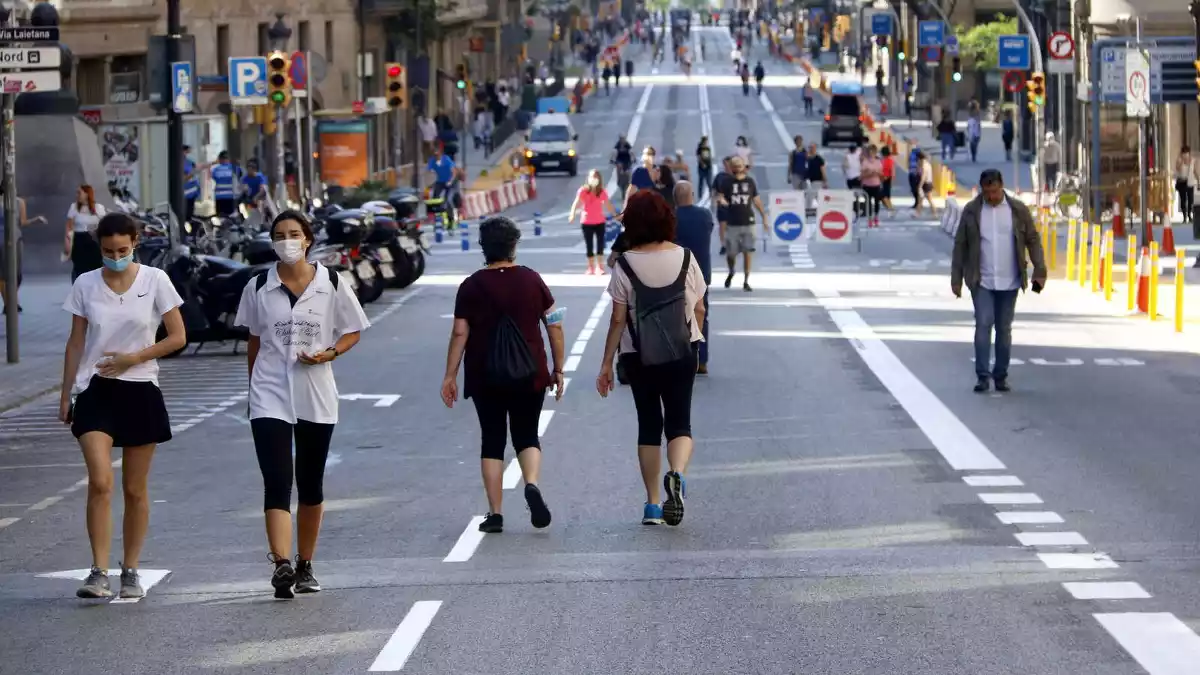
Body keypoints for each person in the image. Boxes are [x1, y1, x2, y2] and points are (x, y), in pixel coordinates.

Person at [234, 210, 370, 599]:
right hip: (269, 392)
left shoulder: (331, 281)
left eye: (294, 233)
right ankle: (281, 565)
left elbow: (352, 331)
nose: (287, 240)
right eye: (279, 234)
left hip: (315, 390)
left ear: (308, 239)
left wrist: (331, 353)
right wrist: (252, 391)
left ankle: (305, 563)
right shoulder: (258, 285)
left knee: (310, 483)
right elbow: (254, 342)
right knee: (276, 480)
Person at [59, 212, 187, 599]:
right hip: (95, 388)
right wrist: (65, 394)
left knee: (134, 489)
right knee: (100, 481)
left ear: (135, 243)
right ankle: (97, 571)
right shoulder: (85, 283)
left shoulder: (155, 280)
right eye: (107, 250)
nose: (114, 256)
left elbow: (178, 336)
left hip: (139, 388)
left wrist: (134, 358)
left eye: (122, 249)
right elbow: (76, 342)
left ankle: (130, 569)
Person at [442, 216, 566, 534]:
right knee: (527, 435)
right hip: (530, 371)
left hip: (486, 374)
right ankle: (532, 484)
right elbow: (554, 325)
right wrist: (558, 368)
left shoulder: (471, 286)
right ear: (514, 245)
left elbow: (459, 333)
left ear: (484, 247)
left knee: (492, 440)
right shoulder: (531, 280)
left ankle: (495, 514)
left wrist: (450, 376)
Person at [596, 190, 706, 527]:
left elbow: (617, 320)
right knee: (680, 423)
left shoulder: (624, 265)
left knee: (648, 426)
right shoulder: (686, 258)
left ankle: (653, 505)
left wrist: (605, 365)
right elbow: (699, 307)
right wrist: (693, 338)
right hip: (681, 351)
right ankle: (677, 474)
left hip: (638, 356)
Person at [951, 169, 1046, 394]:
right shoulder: (973, 211)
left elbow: (1032, 239)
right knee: (983, 324)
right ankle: (982, 376)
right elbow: (960, 245)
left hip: (1010, 280)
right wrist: (956, 278)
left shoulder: (1017, 210)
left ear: (1002, 186)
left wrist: (1039, 269)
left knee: (1004, 328)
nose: (991, 196)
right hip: (981, 279)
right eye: (987, 192)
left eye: (994, 192)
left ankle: (1000, 375)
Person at [673, 182, 713, 374]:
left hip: (674, 275)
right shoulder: (704, 215)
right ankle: (701, 359)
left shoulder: (670, 218)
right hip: (701, 274)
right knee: (700, 316)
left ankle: (679, 358)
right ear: (692, 195)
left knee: (675, 317)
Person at [716, 156, 768, 292]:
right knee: (731, 253)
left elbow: (756, 200)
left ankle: (746, 280)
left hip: (748, 221)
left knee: (747, 251)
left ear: (743, 167)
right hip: (732, 222)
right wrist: (722, 201)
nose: (737, 168)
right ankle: (732, 270)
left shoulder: (750, 182)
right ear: (731, 168)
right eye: (735, 166)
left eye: (739, 166)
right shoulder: (726, 183)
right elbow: (720, 196)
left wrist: (764, 217)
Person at [0, 183, 46, 314]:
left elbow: (23, 221)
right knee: (3, 273)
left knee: (17, 274)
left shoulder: (19, 202)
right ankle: (9, 304)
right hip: (1, 239)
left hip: (16, 239)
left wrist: (36, 219)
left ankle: (11, 300)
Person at [569, 169, 619, 274]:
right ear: (588, 178)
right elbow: (576, 203)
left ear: (599, 179)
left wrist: (616, 215)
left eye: (596, 177)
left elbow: (608, 205)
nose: (594, 179)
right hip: (586, 221)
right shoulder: (583, 191)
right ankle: (590, 267)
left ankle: (599, 267)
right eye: (592, 177)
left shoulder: (602, 192)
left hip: (600, 221)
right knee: (589, 245)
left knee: (600, 245)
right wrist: (572, 214)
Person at [65, 184, 106, 282]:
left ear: (87, 194)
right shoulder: (74, 207)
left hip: (93, 240)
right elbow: (68, 227)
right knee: (79, 267)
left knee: (95, 267)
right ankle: (79, 288)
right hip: (79, 240)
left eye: (79, 193)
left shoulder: (98, 208)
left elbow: (104, 224)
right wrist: (67, 243)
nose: (77, 195)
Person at [860, 145, 884, 227]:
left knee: (877, 202)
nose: (871, 154)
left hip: (876, 184)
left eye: (873, 152)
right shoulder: (865, 162)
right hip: (867, 185)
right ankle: (870, 219)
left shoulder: (878, 162)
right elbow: (861, 176)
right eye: (869, 152)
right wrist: (869, 173)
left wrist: (878, 173)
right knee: (868, 203)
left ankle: (876, 217)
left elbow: (882, 174)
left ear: (875, 153)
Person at [209, 151, 239, 218]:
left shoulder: (215, 169)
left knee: (220, 218)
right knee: (230, 217)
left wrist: (214, 162)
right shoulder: (234, 168)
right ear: (228, 159)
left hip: (219, 197)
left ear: (220, 159)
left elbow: (211, 176)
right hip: (230, 196)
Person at [1176, 146, 1197, 223]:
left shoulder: (1193, 160)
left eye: (1187, 152)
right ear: (1182, 153)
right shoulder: (1179, 160)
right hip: (1182, 182)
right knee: (1183, 200)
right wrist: (1182, 161)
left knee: (1190, 199)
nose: (1186, 154)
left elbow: (1194, 170)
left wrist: (1198, 179)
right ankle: (1184, 216)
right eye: (1184, 153)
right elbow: (1178, 169)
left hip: (1190, 182)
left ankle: (1189, 215)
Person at [182, 145, 200, 220]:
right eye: (185, 151)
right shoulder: (180, 163)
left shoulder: (189, 162)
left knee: (190, 214)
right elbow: (183, 179)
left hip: (192, 193)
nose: (186, 153)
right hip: (185, 194)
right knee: (186, 215)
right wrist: (192, 173)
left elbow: (197, 167)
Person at [916, 150, 936, 216]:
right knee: (920, 200)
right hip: (928, 183)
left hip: (926, 184)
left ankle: (934, 213)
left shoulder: (924, 165)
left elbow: (923, 177)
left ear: (919, 158)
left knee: (929, 200)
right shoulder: (926, 164)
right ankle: (917, 213)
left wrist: (920, 186)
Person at [879, 146, 897, 217]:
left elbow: (892, 171)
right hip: (884, 179)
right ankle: (890, 209)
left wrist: (892, 180)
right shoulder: (884, 160)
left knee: (884, 195)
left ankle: (891, 209)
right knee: (885, 196)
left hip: (888, 179)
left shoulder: (889, 160)